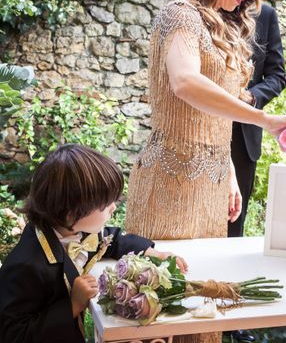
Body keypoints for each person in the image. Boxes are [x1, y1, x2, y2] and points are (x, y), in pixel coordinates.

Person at [125, 0, 286, 343]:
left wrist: (226, 169)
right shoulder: (180, 14)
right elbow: (186, 84)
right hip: (169, 183)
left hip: (210, 189)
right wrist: (266, 120)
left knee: (202, 314)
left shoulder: (224, 25)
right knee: (160, 312)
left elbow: (214, 113)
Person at [0, 144, 186, 343]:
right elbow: (13, 334)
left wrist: (151, 253)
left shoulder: (69, 229)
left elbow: (111, 239)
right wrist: (73, 305)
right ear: (71, 211)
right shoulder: (27, 265)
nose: (113, 207)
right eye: (105, 204)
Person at [228, 3, 286, 239]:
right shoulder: (203, 9)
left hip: (242, 137)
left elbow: (277, 76)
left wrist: (251, 97)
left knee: (233, 221)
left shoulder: (265, 15)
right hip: (201, 131)